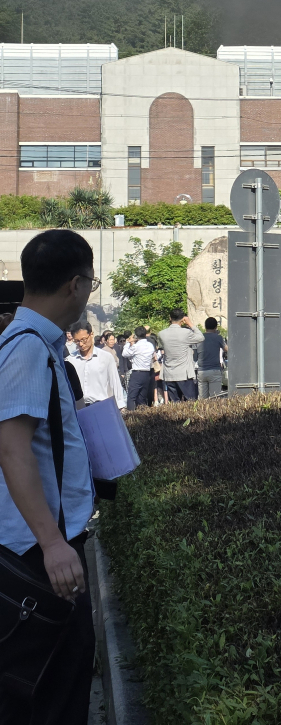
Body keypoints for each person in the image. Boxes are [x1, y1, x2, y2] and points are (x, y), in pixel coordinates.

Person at [0, 229, 97, 724]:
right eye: (91, 283)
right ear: (74, 285)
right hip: (37, 555)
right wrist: (54, 544)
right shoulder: (27, 349)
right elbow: (11, 447)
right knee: (51, 696)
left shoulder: (37, 345)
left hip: (42, 547)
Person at [66, 320, 126, 410]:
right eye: (77, 341)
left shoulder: (106, 357)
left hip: (101, 406)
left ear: (91, 334)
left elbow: (115, 383)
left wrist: (120, 406)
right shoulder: (70, 360)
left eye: (83, 340)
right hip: (78, 408)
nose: (81, 344)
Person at [158, 308, 203, 402]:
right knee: (190, 402)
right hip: (184, 373)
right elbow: (201, 337)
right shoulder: (186, 333)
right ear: (183, 319)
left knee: (175, 404)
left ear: (170, 318)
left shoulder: (161, 334)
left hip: (169, 373)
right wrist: (190, 324)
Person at [122, 328, 155, 409]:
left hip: (137, 373)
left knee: (131, 397)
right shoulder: (150, 345)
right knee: (142, 398)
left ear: (136, 336)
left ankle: (131, 415)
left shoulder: (136, 346)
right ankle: (142, 414)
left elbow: (124, 354)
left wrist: (128, 343)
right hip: (147, 373)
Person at [197, 317, 225, 399]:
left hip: (201, 371)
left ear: (205, 326)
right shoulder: (218, 338)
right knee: (215, 398)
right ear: (216, 327)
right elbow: (227, 349)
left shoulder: (199, 338)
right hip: (214, 370)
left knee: (203, 399)